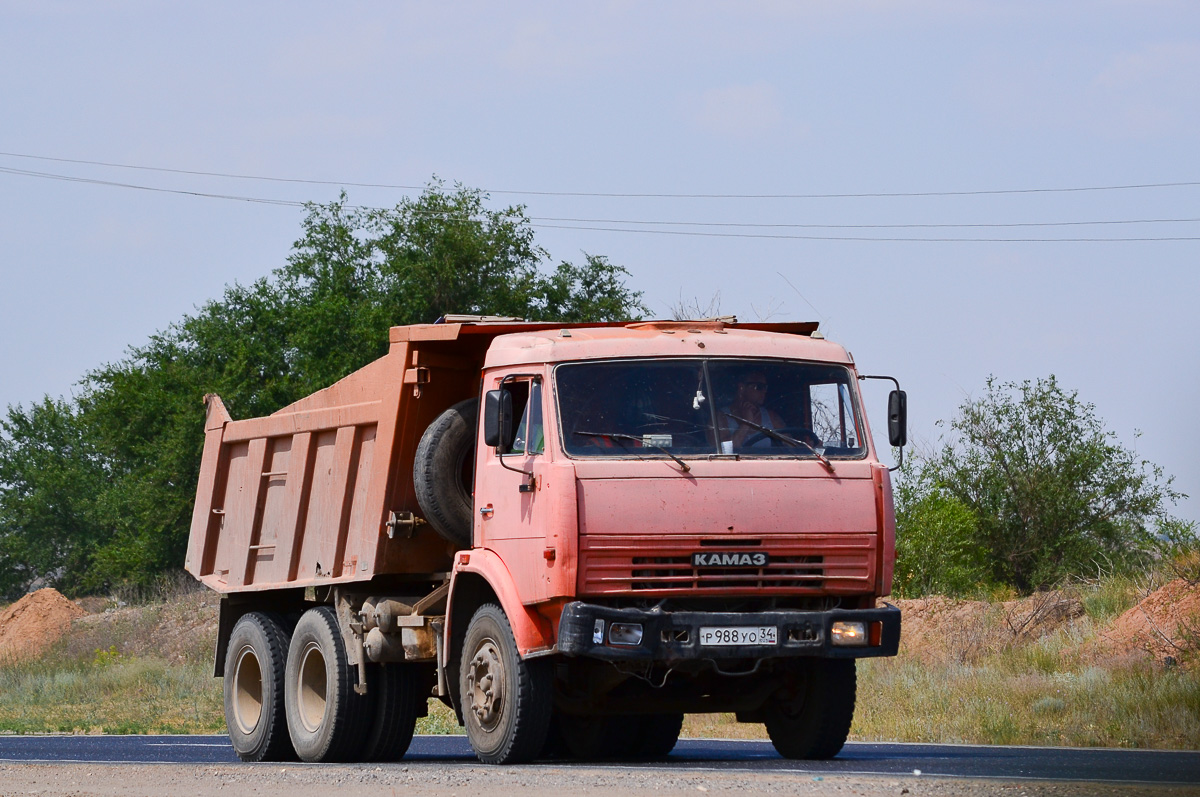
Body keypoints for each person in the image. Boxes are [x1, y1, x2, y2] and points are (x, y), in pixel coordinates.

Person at [724, 370, 785, 449]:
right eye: (759, 387)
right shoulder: (721, 417)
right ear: (741, 388)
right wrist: (746, 422)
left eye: (766, 387)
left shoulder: (770, 416)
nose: (764, 391)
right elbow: (725, 452)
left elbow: (793, 447)